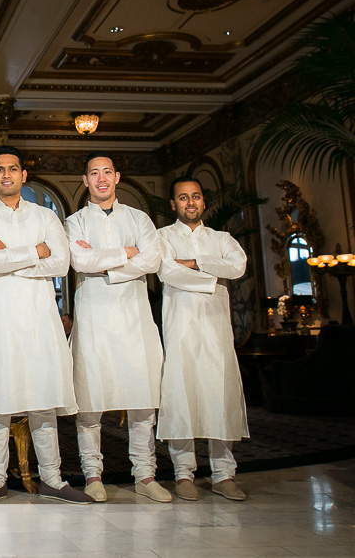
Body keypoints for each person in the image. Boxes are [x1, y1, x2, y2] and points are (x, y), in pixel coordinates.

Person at [0, 146, 92, 505]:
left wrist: (10, 252)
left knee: (43, 398)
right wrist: (33, 250)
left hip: (40, 319)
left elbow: (59, 265)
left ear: (24, 175)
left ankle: (52, 479)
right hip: (0, 319)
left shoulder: (47, 216)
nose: (6, 175)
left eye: (13, 169)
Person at [66, 152, 169, 503]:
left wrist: (106, 265)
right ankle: (92, 474)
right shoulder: (75, 222)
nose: (101, 178)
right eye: (93, 173)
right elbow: (79, 260)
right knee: (90, 400)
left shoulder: (139, 218)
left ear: (117, 177)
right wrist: (128, 253)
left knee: (142, 399)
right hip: (94, 316)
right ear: (85, 181)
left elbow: (153, 259)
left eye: (106, 172)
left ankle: (145, 474)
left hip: (134, 318)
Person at [157, 177, 249, 502]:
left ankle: (224, 475)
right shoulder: (162, 238)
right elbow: (168, 272)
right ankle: (183, 474)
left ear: (204, 202)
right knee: (182, 396)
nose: (190, 202)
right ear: (173, 204)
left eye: (195, 196)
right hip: (180, 327)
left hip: (216, 330)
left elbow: (238, 266)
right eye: (183, 197)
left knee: (219, 395)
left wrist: (195, 263)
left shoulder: (222, 238)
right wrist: (213, 274)